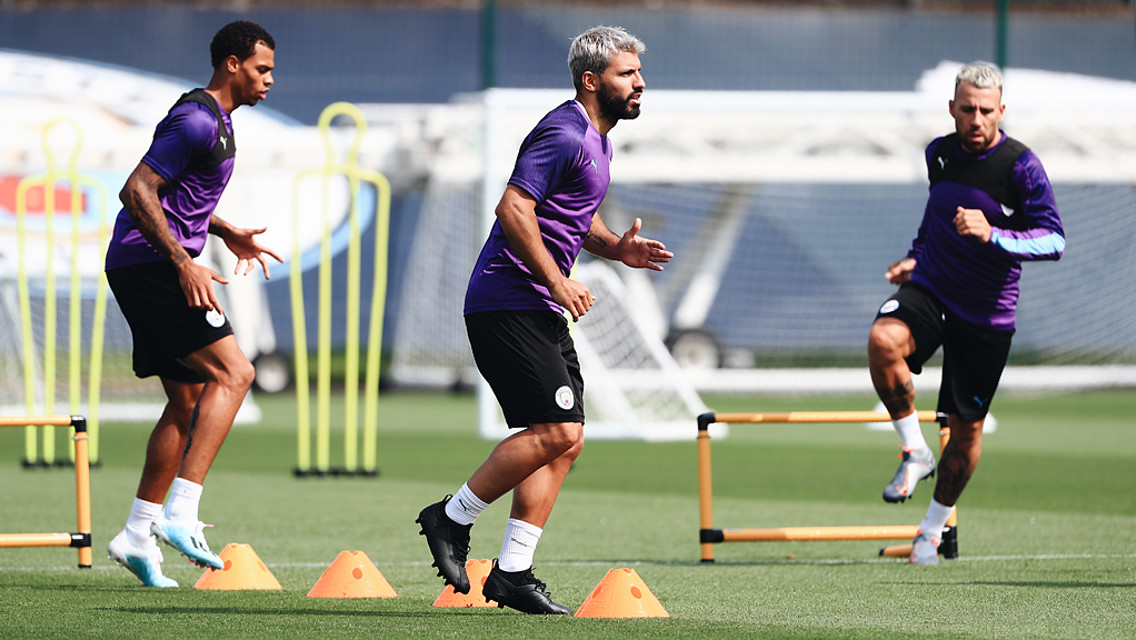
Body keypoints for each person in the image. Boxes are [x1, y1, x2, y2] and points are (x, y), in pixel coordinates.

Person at [416, 25, 671, 614]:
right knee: (553, 431)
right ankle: (450, 519)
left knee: (566, 441)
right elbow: (513, 208)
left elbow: (572, 217)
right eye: (627, 75)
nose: (639, 84)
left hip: (536, 304)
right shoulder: (563, 132)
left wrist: (615, 248)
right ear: (591, 81)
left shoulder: (598, 141)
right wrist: (558, 279)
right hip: (509, 302)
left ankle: (513, 574)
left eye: (637, 73)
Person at [104, 20, 282, 587]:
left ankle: (135, 535)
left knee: (187, 405)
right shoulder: (198, 119)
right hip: (153, 267)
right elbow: (138, 189)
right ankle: (181, 513)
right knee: (236, 372)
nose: (269, 80)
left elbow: (181, 196)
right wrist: (183, 263)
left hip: (151, 264)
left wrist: (223, 230)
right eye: (262, 69)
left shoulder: (222, 122)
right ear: (232, 64)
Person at [867, 61, 1064, 565]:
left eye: (986, 110)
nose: (976, 119)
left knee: (967, 429)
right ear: (952, 109)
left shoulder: (1021, 166)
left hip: (985, 313)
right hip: (932, 286)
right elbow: (934, 212)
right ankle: (914, 450)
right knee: (883, 341)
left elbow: (1054, 239)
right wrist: (915, 255)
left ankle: (930, 532)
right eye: (967, 109)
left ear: (1001, 111)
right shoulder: (938, 153)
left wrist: (994, 233)